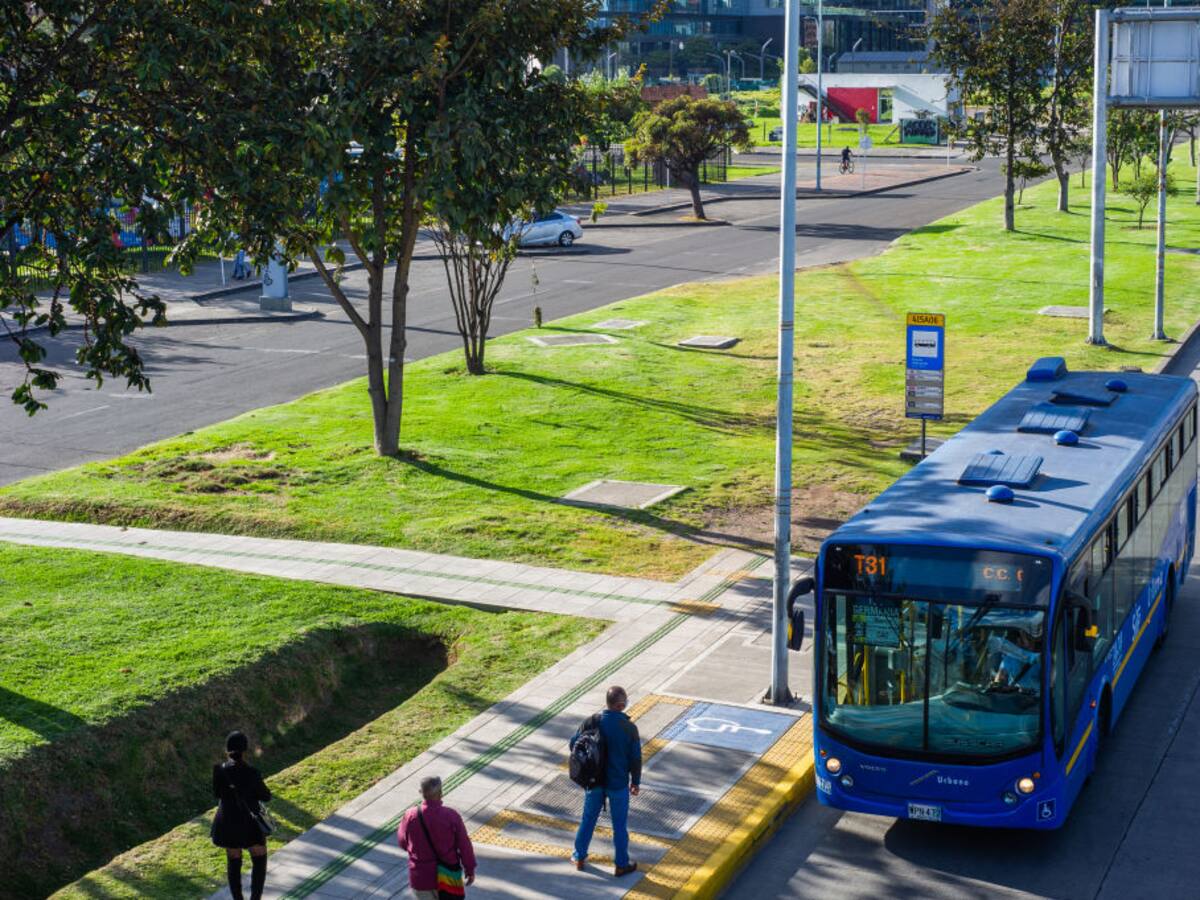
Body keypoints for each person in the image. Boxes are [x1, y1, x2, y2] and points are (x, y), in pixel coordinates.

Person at [570, 685, 642, 877]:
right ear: (620, 704)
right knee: (619, 826)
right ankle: (621, 864)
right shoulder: (629, 728)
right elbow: (635, 758)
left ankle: (579, 857)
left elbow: (573, 744)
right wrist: (635, 782)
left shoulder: (592, 720)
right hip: (617, 784)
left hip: (594, 782)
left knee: (588, 819)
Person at [211, 731, 271, 900]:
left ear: (227, 749)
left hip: (227, 822)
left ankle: (237, 898)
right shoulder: (252, 772)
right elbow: (266, 796)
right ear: (245, 750)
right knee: (259, 856)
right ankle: (255, 898)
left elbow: (217, 794)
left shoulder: (219, 770)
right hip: (250, 822)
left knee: (233, 859)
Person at [397, 776, 477, 900]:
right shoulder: (451, 816)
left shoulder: (410, 815)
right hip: (448, 876)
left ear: (421, 793)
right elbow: (464, 845)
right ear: (440, 793)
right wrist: (469, 869)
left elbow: (402, 842)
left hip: (421, 877)